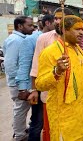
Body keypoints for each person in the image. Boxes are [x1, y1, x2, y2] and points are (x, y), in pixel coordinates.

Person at [35, 15, 83, 140]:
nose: (82, 33)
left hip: (81, 112)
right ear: (63, 30)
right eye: (77, 29)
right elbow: (40, 84)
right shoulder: (50, 52)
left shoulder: (78, 49)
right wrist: (56, 71)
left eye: (82, 29)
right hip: (63, 115)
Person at [30, 9, 72, 141]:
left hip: (70, 95)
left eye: (62, 18)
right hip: (48, 94)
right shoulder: (43, 38)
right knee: (47, 128)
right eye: (56, 18)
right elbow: (36, 66)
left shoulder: (74, 40)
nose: (58, 21)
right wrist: (34, 90)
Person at [15, 15, 54, 141]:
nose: (32, 28)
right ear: (48, 23)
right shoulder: (31, 40)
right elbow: (25, 65)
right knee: (37, 122)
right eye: (30, 25)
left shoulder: (60, 39)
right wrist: (27, 89)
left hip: (51, 87)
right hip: (37, 86)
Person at [4, 16, 34, 141]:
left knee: (22, 108)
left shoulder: (21, 39)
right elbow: (10, 65)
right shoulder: (15, 40)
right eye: (29, 25)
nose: (32, 28)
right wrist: (21, 82)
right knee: (20, 108)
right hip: (18, 82)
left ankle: (19, 129)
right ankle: (19, 135)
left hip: (21, 81)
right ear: (20, 26)